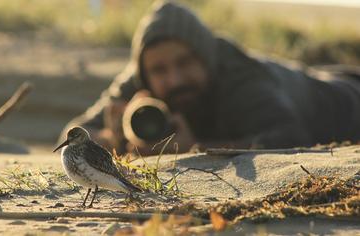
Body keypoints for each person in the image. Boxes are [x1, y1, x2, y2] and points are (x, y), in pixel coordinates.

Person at [61, 0, 360, 155]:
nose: (174, 79)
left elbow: (291, 138)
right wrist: (109, 138)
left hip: (347, 102)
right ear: (144, 72)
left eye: (185, 62)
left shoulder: (240, 77)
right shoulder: (138, 81)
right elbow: (70, 135)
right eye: (160, 70)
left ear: (206, 58)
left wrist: (196, 147)